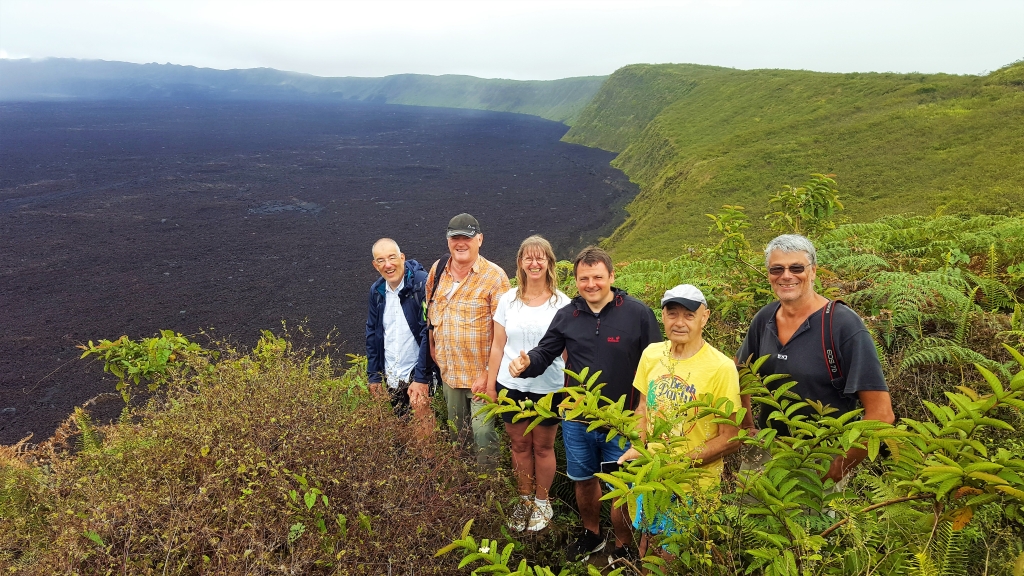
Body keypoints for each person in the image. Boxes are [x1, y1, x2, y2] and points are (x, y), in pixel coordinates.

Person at [509, 246, 661, 563]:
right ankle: (591, 534)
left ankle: (622, 545)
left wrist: (646, 414)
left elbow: (657, 363)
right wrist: (527, 364)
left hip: (623, 422)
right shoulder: (568, 315)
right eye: (584, 278)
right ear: (576, 281)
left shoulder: (637, 314)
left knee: (623, 487)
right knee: (583, 480)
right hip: (577, 420)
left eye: (598, 277)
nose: (591, 284)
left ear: (611, 276)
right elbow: (545, 352)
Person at [736, 233, 895, 483]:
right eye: (777, 269)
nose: (786, 275)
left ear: (813, 271)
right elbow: (740, 372)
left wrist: (840, 466)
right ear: (769, 275)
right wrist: (746, 426)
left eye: (796, 268)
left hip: (820, 457)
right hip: (766, 451)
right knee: (747, 509)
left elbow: (882, 413)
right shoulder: (765, 318)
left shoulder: (843, 325)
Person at [617, 284, 741, 562]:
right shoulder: (652, 354)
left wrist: (680, 465)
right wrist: (638, 446)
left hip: (694, 486)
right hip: (652, 477)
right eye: (672, 314)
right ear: (663, 316)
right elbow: (643, 408)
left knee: (674, 557)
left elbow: (730, 438)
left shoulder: (721, 367)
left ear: (704, 317)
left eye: (689, 315)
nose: (679, 322)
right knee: (647, 547)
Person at [486, 235, 571, 533]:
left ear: (549, 262)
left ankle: (542, 502)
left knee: (543, 447)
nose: (534, 263)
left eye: (540, 258)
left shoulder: (563, 304)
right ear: (520, 263)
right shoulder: (507, 300)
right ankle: (524, 499)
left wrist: (571, 389)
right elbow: (498, 345)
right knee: (520, 445)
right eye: (528, 258)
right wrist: (491, 385)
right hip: (511, 386)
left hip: (549, 387)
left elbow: (567, 352)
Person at [414, 213, 510, 471]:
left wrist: (489, 374)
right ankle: (464, 486)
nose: (461, 243)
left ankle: (489, 485)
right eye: (455, 237)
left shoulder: (495, 277)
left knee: (483, 434)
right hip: (450, 374)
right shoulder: (438, 270)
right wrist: (433, 344)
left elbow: (504, 332)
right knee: (458, 436)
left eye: (467, 237)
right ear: (448, 240)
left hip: (481, 377)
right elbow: (429, 312)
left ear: (479, 239)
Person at [364, 238, 433, 434]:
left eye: (392, 257)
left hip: (417, 370)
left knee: (422, 418)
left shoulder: (421, 284)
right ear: (375, 265)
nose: (388, 265)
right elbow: (372, 333)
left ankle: (428, 455)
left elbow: (429, 331)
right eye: (381, 260)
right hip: (392, 373)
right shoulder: (377, 291)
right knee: (401, 423)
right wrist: (374, 376)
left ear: (402, 257)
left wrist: (421, 377)